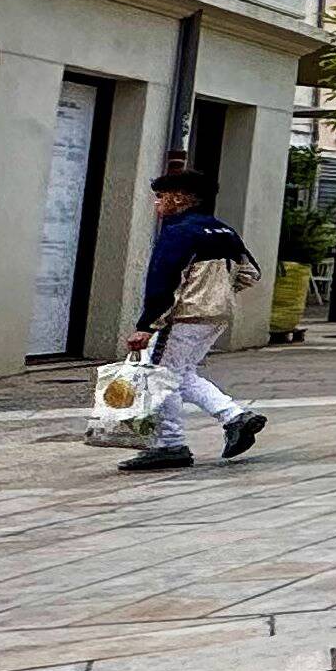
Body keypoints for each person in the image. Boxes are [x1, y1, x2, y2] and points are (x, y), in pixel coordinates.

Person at [122, 169, 267, 475]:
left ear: (178, 198)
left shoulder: (178, 232)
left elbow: (163, 284)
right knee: (181, 373)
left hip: (184, 316)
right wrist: (219, 293)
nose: (157, 205)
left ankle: (169, 445)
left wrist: (146, 326)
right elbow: (251, 273)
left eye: (161, 197)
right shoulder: (225, 232)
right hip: (216, 316)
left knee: (158, 376)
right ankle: (234, 417)